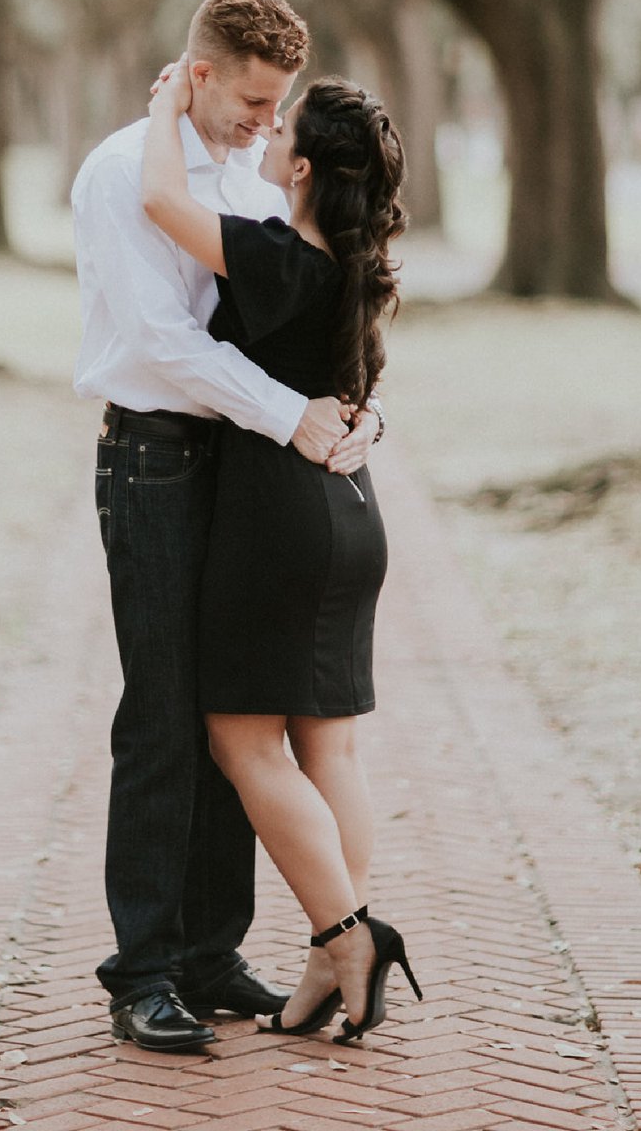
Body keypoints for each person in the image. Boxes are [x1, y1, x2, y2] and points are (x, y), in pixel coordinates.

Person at [71, 0, 380, 1053]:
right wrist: (296, 416)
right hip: (156, 459)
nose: (264, 120)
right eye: (252, 97)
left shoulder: (249, 174)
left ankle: (211, 950)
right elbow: (165, 346)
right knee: (162, 716)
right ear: (198, 72)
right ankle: (144, 969)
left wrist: (345, 415)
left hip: (241, 471)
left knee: (231, 713)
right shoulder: (123, 172)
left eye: (277, 104)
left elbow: (291, 312)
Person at [141, 53, 422, 1043]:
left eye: (281, 122)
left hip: (277, 521)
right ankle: (326, 967)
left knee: (243, 742)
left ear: (303, 166)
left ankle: (350, 933)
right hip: (351, 512)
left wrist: (167, 102)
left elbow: (159, 198)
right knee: (328, 747)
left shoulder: (273, 251)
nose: (268, 131)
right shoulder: (356, 265)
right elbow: (357, 393)